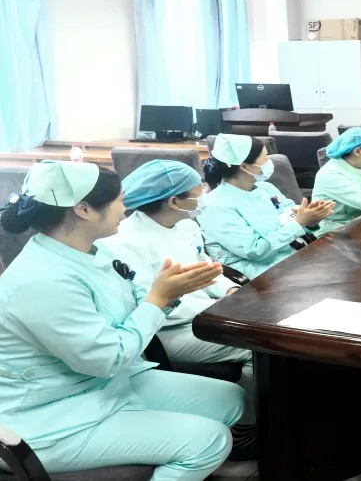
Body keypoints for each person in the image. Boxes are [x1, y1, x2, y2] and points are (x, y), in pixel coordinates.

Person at [0, 160, 244, 479]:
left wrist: (169, 292)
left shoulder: (95, 251)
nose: (125, 208)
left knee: (232, 400)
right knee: (211, 441)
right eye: (118, 200)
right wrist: (158, 299)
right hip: (51, 418)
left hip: (102, 386)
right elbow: (107, 359)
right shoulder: (40, 281)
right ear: (84, 210)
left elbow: (135, 298)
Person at [96, 160, 257, 438]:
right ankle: (246, 429)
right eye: (197, 191)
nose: (203, 196)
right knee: (256, 348)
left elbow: (208, 268)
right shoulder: (124, 242)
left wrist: (230, 292)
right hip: (166, 331)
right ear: (174, 201)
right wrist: (220, 311)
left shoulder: (186, 226)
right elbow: (148, 305)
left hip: (211, 313)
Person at [197, 133, 335, 280]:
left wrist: (310, 219)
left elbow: (289, 214)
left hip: (292, 255)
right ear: (244, 166)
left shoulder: (265, 188)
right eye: (265, 157)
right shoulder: (215, 205)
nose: (269, 161)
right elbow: (255, 250)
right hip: (260, 273)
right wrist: (299, 223)